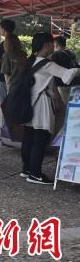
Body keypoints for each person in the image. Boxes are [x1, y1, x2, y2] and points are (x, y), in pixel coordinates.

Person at [20, 33, 79, 185]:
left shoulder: (30, 60)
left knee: (28, 137)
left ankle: (26, 169)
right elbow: (67, 74)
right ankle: (35, 174)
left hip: (28, 103)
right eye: (52, 43)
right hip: (41, 104)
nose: (53, 46)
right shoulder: (46, 64)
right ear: (46, 44)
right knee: (40, 139)